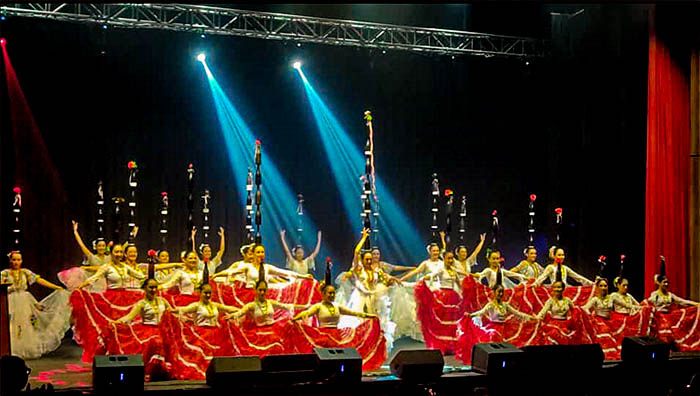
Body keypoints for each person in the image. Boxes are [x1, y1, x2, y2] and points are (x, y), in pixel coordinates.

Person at [290, 261, 385, 371]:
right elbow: (306, 314)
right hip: (323, 336)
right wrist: (295, 319)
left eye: (333, 293)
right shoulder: (318, 306)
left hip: (337, 335)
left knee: (341, 357)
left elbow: (354, 313)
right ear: (323, 294)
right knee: (324, 359)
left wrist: (369, 316)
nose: (332, 295)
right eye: (329, 293)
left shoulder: (337, 306)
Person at [108, 261, 174, 381]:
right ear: (145, 288)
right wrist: (117, 322)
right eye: (151, 287)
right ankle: (150, 372)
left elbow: (173, 312)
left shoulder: (163, 301)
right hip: (148, 331)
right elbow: (129, 317)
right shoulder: (141, 304)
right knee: (155, 342)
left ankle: (161, 372)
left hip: (162, 331)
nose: (154, 290)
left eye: (155, 287)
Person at [1, 251, 70, 359]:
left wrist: (56, 287)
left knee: (26, 324)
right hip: (10, 300)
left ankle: (25, 348)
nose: (16, 262)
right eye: (14, 260)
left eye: (18, 260)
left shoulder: (25, 272)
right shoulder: (4, 273)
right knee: (11, 324)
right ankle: (12, 350)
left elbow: (39, 280)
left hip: (24, 301)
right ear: (10, 260)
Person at [456, 269, 534, 364]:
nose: (501, 294)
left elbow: (517, 313)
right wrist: (470, 315)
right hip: (494, 328)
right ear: (494, 292)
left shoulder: (505, 305)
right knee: (494, 339)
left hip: (504, 329)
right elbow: (481, 312)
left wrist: (531, 317)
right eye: (498, 292)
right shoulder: (491, 305)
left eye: (502, 292)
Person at [415, 251, 472, 354]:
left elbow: (459, 282)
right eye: (448, 258)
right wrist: (424, 279)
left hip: (453, 297)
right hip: (443, 297)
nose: (450, 260)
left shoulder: (454, 270)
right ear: (444, 259)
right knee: (442, 322)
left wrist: (464, 292)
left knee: (452, 322)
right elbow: (432, 275)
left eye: (452, 258)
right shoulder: (441, 269)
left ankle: (452, 346)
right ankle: (442, 345)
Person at [78, 244, 146, 289]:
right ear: (111, 253)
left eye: (121, 252)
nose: (119, 254)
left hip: (125, 296)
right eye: (116, 252)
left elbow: (140, 276)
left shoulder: (125, 267)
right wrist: (80, 287)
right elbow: (93, 278)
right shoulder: (107, 267)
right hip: (111, 297)